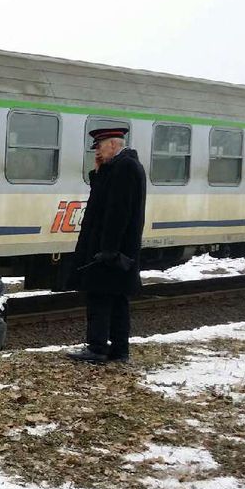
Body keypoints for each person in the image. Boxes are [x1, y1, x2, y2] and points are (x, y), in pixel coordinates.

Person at [66, 127, 147, 364]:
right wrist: (99, 171)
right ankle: (119, 350)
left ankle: (97, 347)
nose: (98, 153)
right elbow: (104, 199)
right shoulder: (121, 167)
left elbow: (117, 212)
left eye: (100, 147)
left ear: (112, 144)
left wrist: (108, 250)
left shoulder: (125, 168)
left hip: (110, 251)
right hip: (116, 249)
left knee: (99, 298)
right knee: (117, 299)